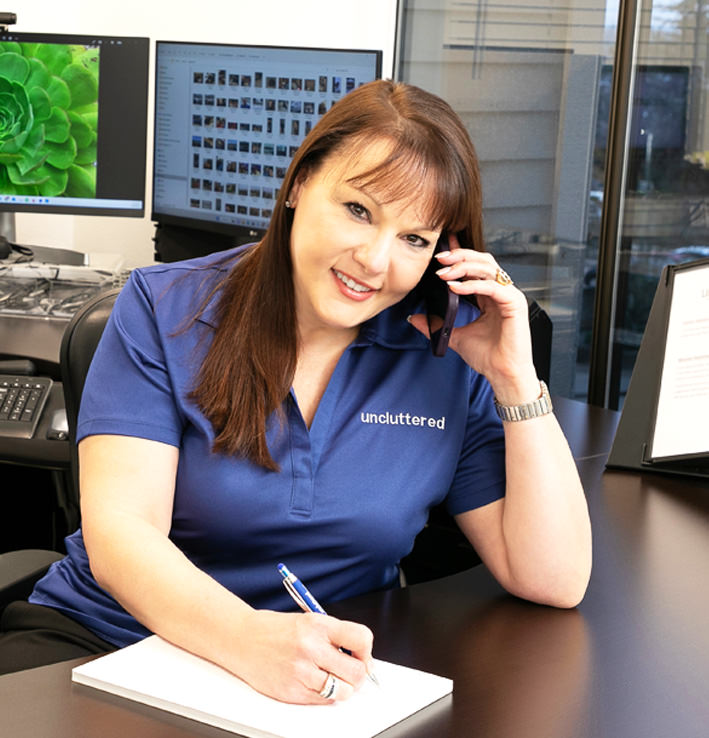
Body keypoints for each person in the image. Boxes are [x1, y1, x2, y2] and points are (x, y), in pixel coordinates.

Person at [0, 80, 591, 701]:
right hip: (112, 642)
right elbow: (121, 537)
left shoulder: (442, 356)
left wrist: (514, 379)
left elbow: (553, 579)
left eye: (414, 239)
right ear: (303, 181)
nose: (374, 259)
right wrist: (250, 641)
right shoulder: (163, 308)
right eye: (359, 210)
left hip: (319, 677)